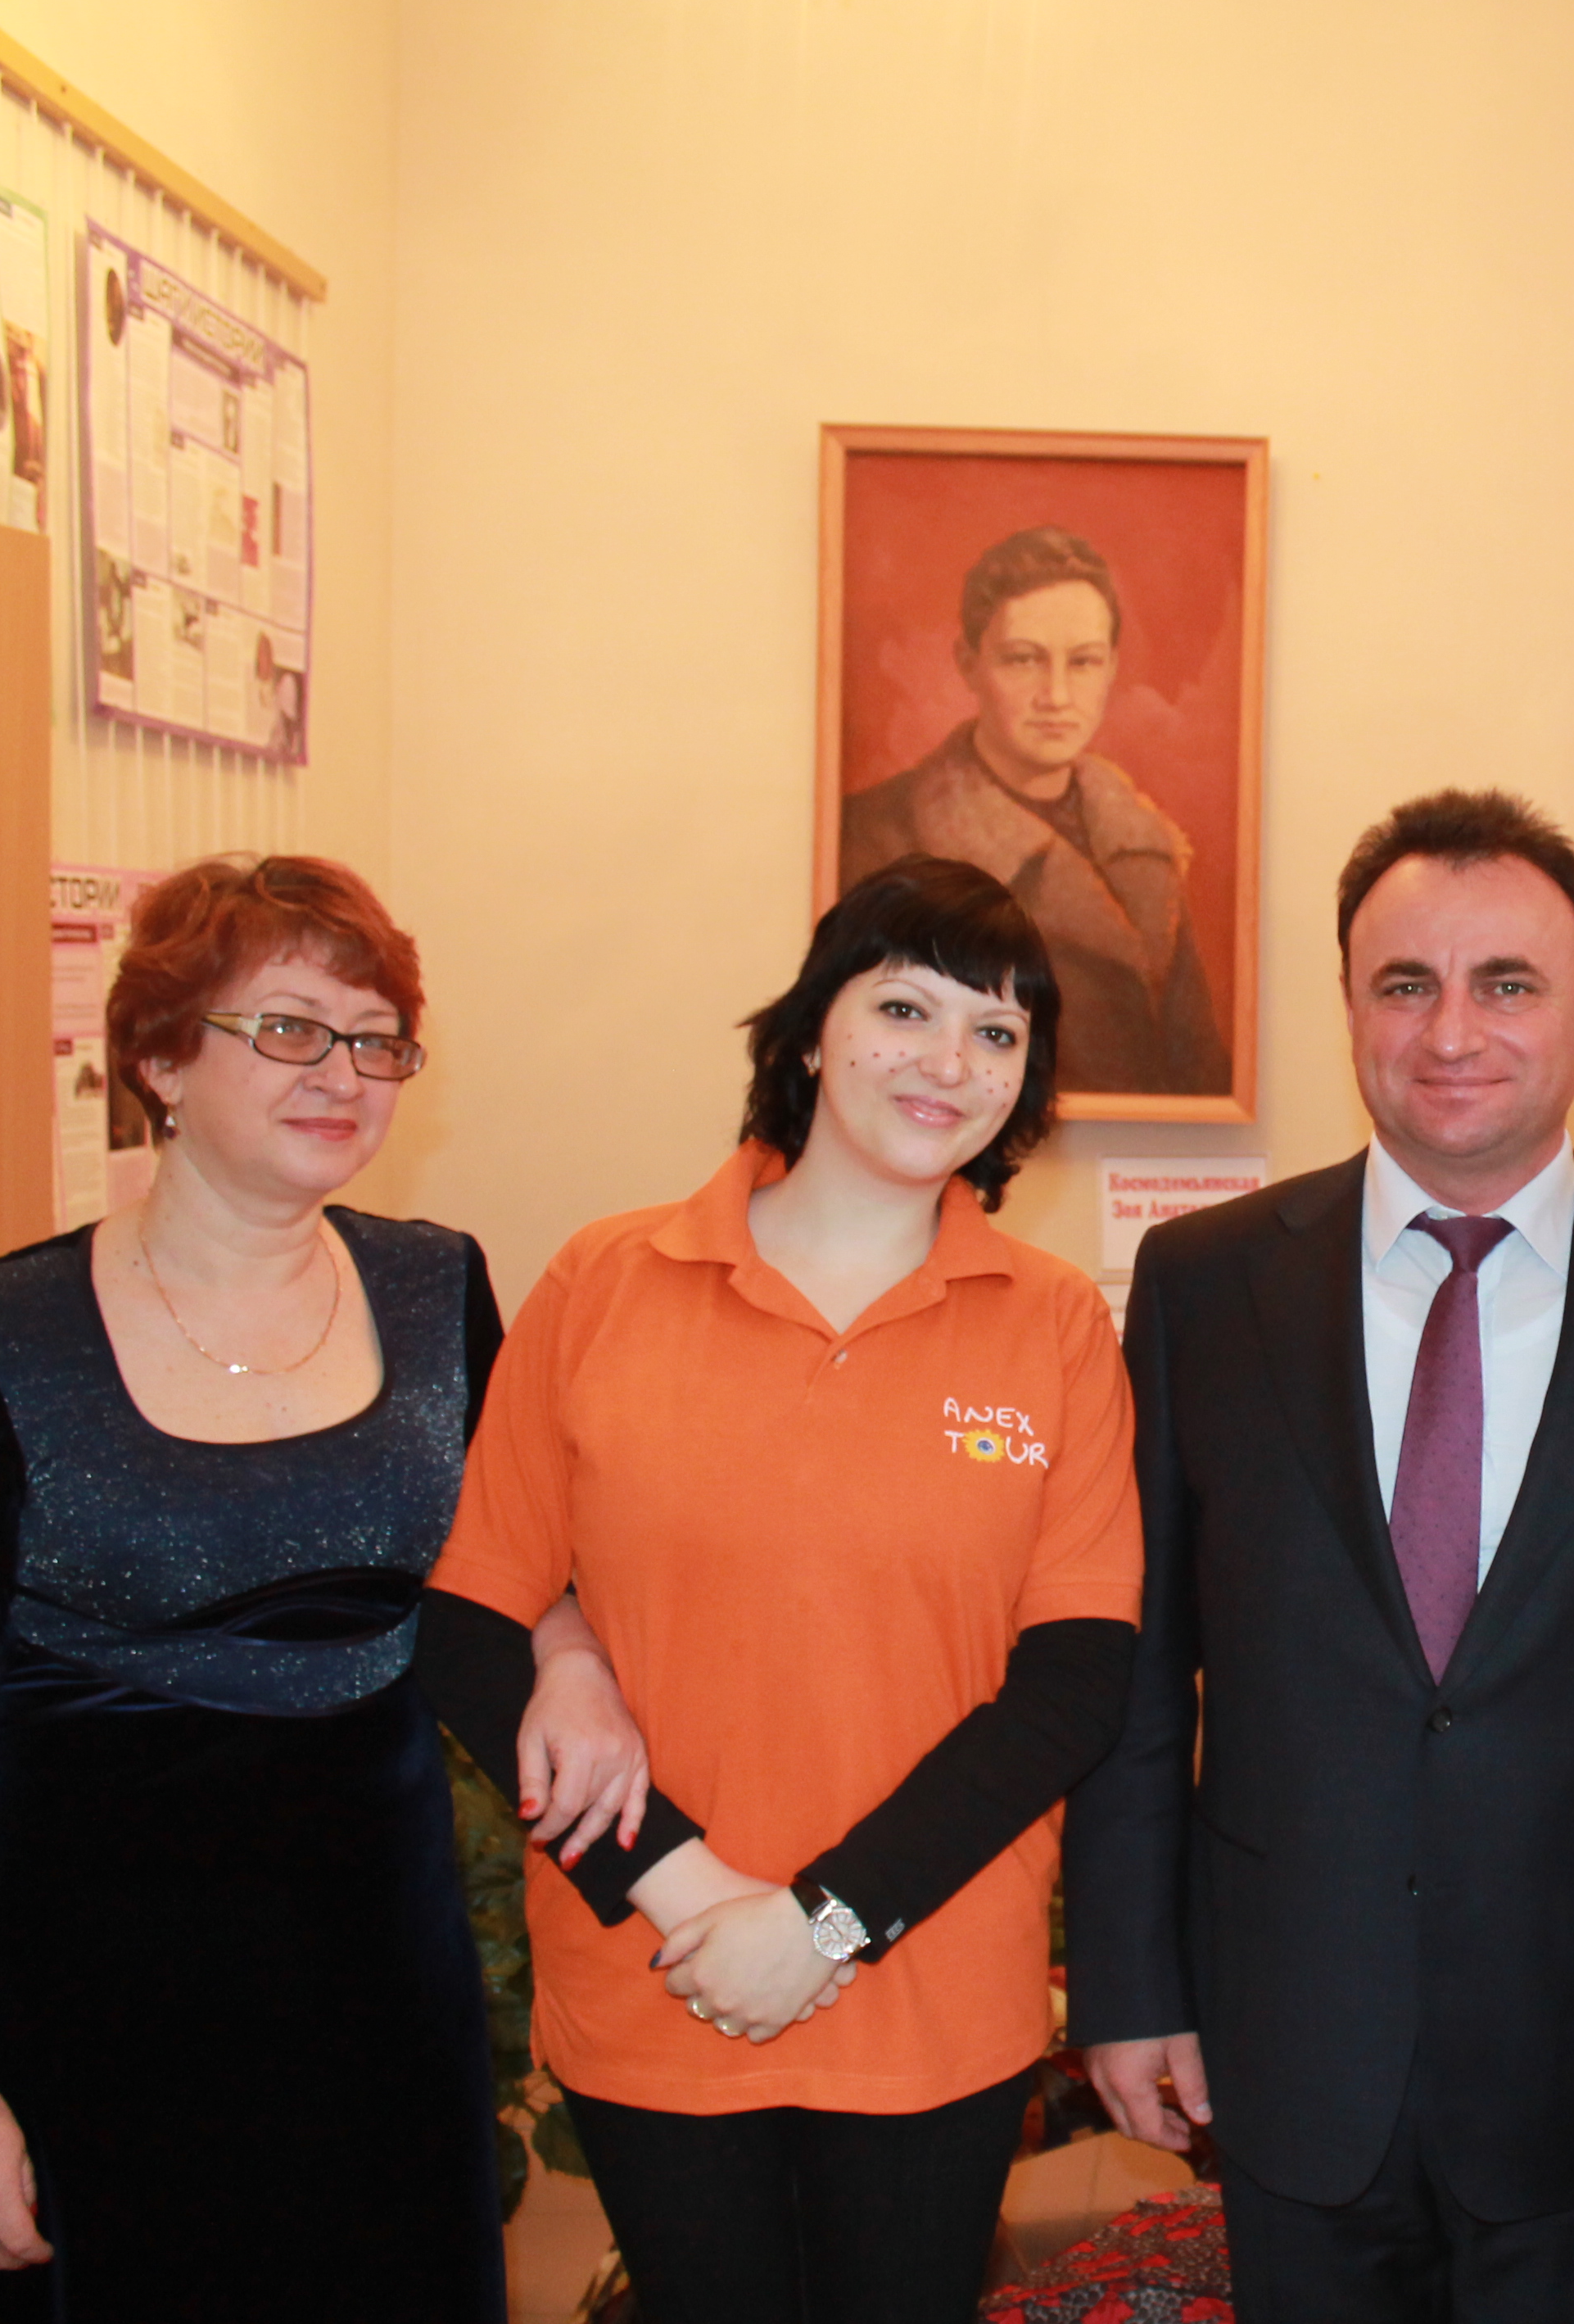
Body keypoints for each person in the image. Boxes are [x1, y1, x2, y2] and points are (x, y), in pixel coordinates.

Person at [1064, 789, 1574, 2322]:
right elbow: (1136, 1674)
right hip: (1288, 2040)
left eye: (1507, 983)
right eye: (1406, 983)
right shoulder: (1204, 1287)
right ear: (1348, 1005)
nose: (1452, 1031)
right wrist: (1129, 1986)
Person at [0, 855, 570, 2319]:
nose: (341, 1073)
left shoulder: (438, 1288)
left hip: (383, 1987)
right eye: (288, 1028)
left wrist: (581, 1658)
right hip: (86, 2003)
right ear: (162, 1058)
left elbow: (518, 1565)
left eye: (376, 1039)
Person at [418, 856, 1142, 2324]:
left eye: (997, 1032)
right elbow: (473, 1623)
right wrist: (690, 1892)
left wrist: (821, 1924)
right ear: (813, 1030)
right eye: (905, 1008)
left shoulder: (1055, 1324)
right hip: (659, 1963)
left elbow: (1072, 1685)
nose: (949, 1061)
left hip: (930, 1990)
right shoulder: (606, 1281)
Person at [837, 524, 1232, 1099]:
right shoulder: (879, 837)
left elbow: (1197, 1068)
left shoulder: (1145, 846)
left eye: (1084, 662)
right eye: (1024, 660)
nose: (1057, 696)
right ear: (968, 663)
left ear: (1112, 667)